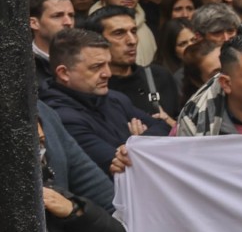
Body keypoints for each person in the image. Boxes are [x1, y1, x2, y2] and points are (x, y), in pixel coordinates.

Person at [40, 29, 166, 174]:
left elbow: (164, 128)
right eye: (96, 67)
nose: (108, 74)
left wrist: (138, 142)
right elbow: (119, 163)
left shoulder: (115, 98)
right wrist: (137, 144)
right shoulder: (60, 117)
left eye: (108, 64)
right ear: (64, 73)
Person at [84, 5, 181, 121]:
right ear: (97, 41)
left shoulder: (160, 77)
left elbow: (183, 126)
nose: (132, 41)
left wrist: (170, 125)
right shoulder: (91, 87)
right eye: (119, 33)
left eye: (134, 31)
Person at [30, 0, 76, 85]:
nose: (68, 22)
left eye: (71, 15)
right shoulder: (19, 63)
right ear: (34, 23)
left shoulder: (85, 57)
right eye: (57, 16)